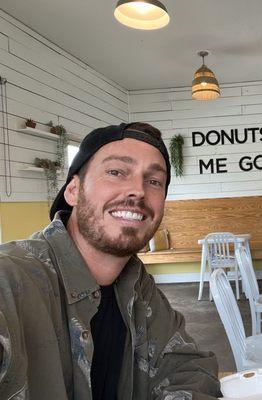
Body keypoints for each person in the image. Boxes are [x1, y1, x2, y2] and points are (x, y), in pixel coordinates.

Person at [0, 122, 221, 399]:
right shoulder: (10, 280)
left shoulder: (136, 286)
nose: (138, 191)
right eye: (116, 172)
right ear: (73, 191)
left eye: (154, 181)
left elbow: (189, 366)